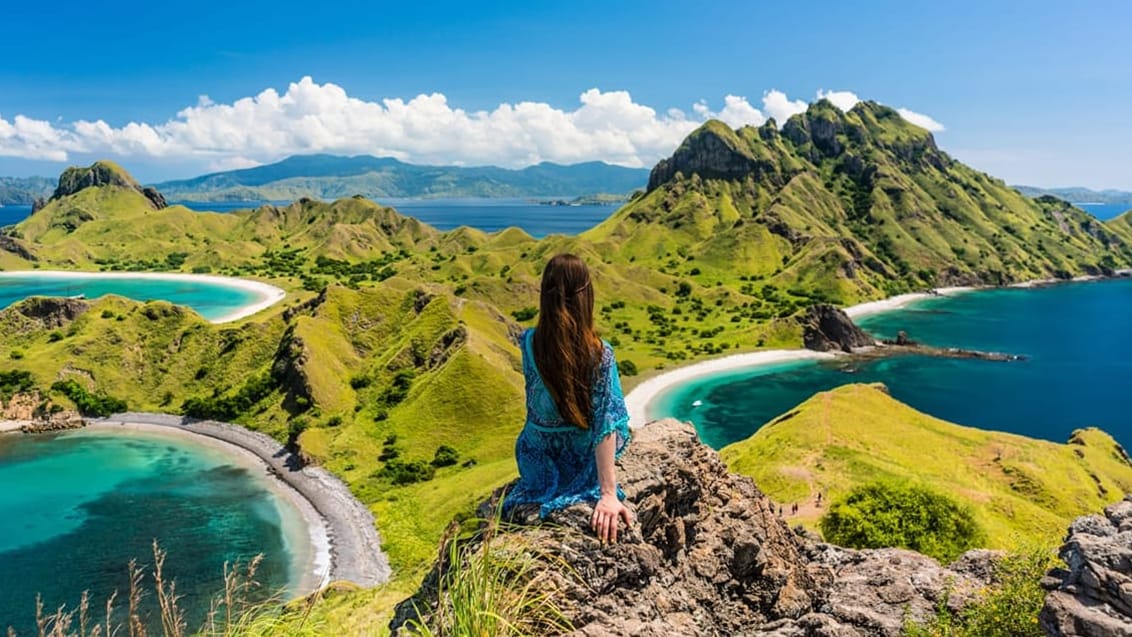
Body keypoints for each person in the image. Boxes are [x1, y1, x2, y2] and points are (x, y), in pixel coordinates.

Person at [502, 254, 633, 543]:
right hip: (578, 458)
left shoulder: (528, 342)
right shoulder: (600, 354)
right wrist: (608, 494)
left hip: (534, 457)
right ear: (586, 296)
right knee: (618, 421)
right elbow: (607, 423)